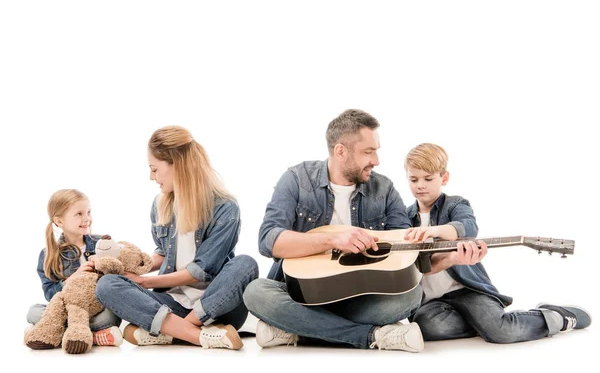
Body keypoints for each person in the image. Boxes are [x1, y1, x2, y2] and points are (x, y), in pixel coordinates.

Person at [243, 109, 425, 352]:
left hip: (362, 297)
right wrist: (333, 239)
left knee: (411, 295)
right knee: (256, 292)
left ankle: (298, 328)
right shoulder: (297, 179)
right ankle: (370, 335)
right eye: (368, 152)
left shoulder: (384, 188)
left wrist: (448, 256)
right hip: (302, 296)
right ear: (341, 151)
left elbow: (404, 248)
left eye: (376, 151)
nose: (376, 160)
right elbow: (268, 240)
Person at [403, 143, 592, 343]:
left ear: (444, 178)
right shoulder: (404, 217)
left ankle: (555, 317)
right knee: (426, 328)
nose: (420, 185)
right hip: (432, 302)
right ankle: (486, 323)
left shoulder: (455, 204)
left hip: (467, 290)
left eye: (428, 178)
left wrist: (434, 230)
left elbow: (467, 227)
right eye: (413, 179)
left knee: (503, 332)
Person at [96, 125, 259, 350]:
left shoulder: (225, 208)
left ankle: (177, 329)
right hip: (173, 303)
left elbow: (201, 271)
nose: (151, 177)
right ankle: (198, 335)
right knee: (107, 285)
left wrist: (145, 281)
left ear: (177, 164)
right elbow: (163, 254)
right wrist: (125, 268)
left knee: (246, 264)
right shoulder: (160, 204)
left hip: (219, 306)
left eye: (154, 169)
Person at [27, 189, 123, 347]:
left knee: (111, 316)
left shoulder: (103, 244)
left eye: (88, 212)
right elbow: (50, 295)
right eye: (79, 214)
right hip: (68, 309)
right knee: (33, 312)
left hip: (95, 309)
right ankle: (94, 336)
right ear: (59, 221)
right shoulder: (49, 254)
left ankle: (50, 332)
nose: (87, 219)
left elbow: (119, 277)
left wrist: (104, 267)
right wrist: (72, 279)